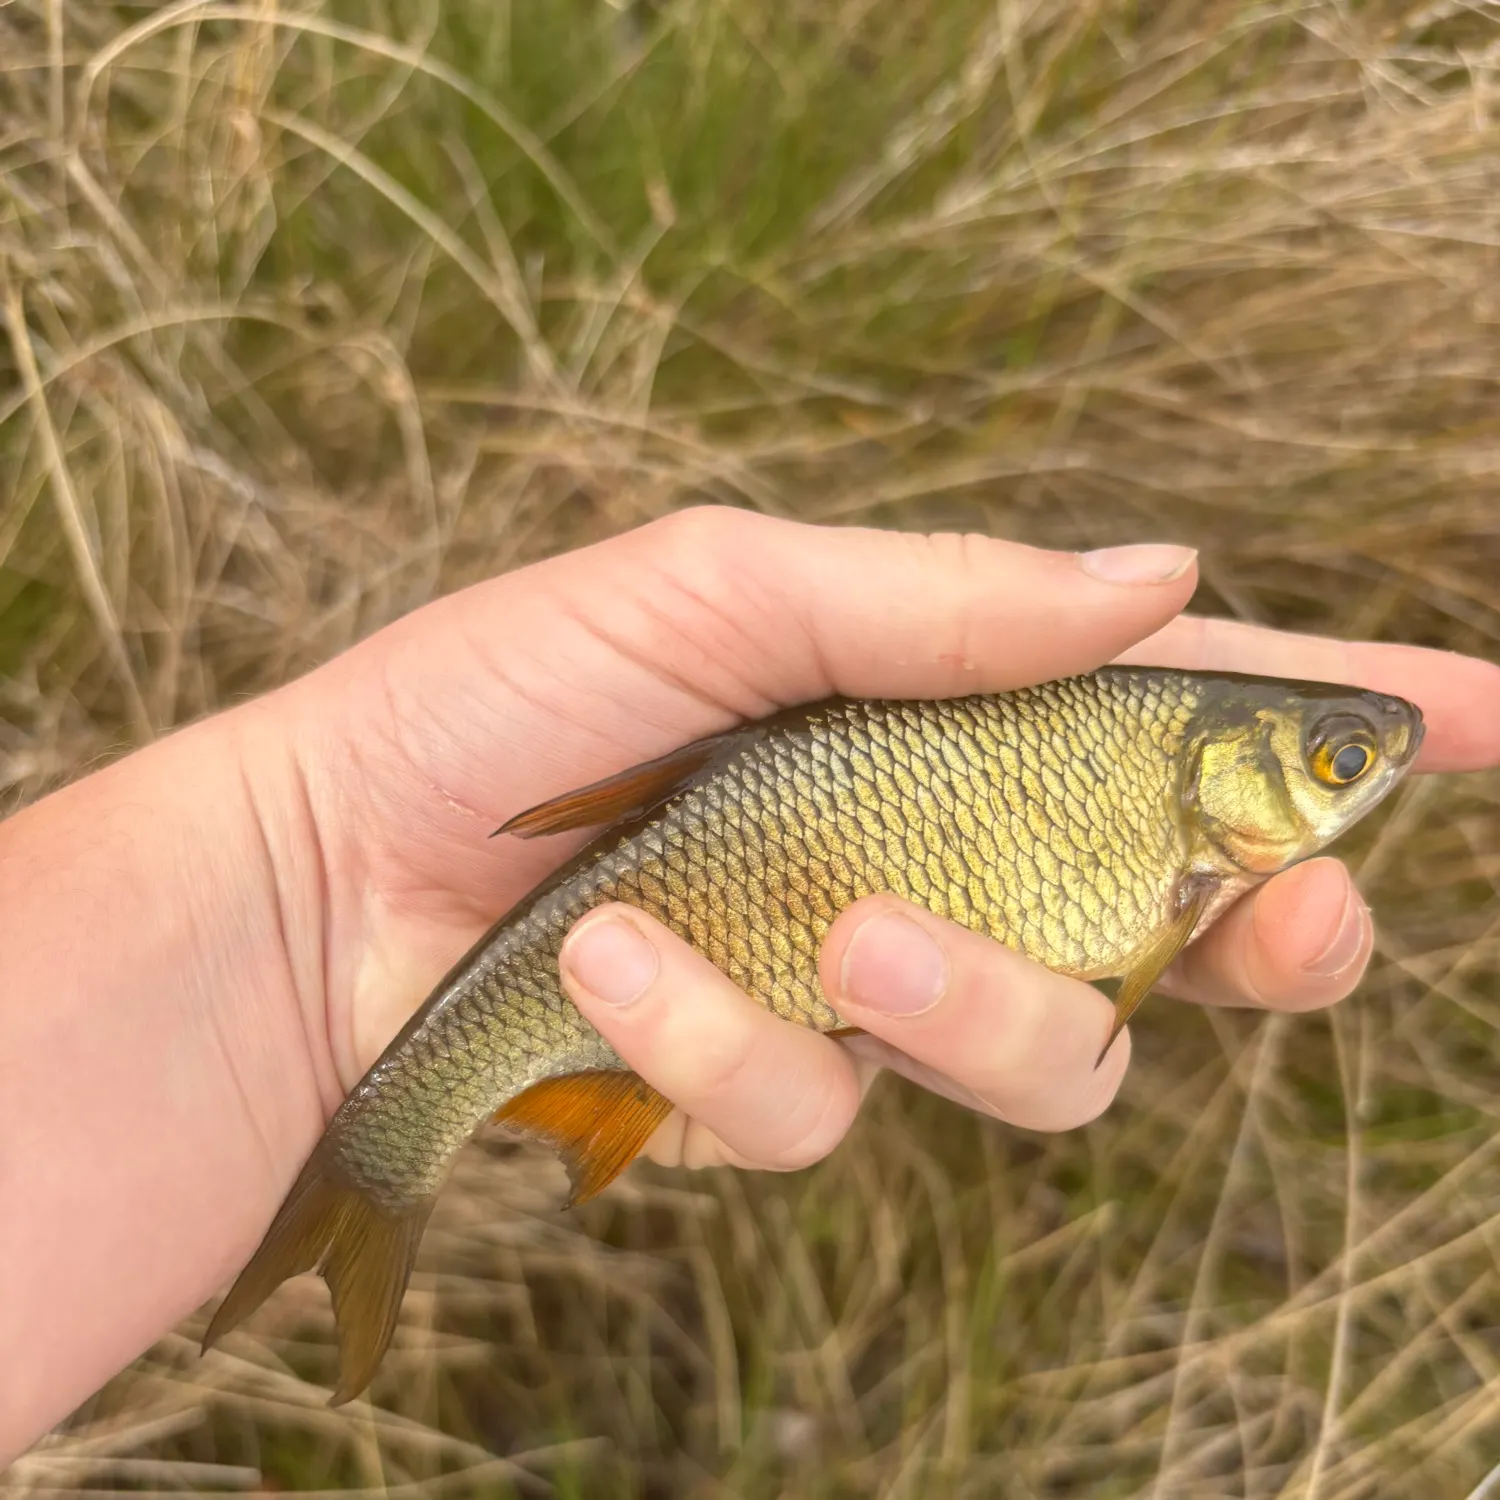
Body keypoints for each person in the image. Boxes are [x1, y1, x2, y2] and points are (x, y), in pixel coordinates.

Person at [3, 509, 1498, 1462]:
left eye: (1344, 759)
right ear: (1232, 773)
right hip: (724, 865)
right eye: (1336, 760)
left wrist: (291, 919)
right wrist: (301, 890)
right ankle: (376, 1165)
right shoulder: (1147, 783)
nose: (1355, 777)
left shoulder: (1161, 794)